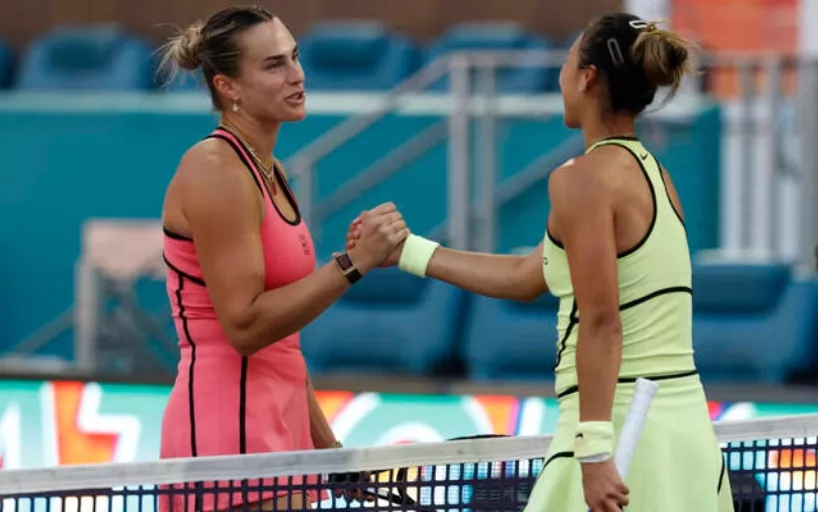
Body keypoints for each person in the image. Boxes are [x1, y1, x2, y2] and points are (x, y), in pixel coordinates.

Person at [348, 13, 733, 512]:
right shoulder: (656, 174)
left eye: (568, 62)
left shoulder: (581, 179)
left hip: (621, 438)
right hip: (683, 437)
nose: (560, 76)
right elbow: (528, 276)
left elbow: (601, 321)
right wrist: (407, 251)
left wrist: (594, 452)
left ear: (587, 78)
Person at [157, 6, 407, 511]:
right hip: (227, 438)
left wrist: (331, 451)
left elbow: (282, 345)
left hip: (282, 432)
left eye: (294, 57)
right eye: (274, 65)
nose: (297, 75)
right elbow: (246, 327)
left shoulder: (270, 171)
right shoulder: (215, 168)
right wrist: (352, 264)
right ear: (228, 87)